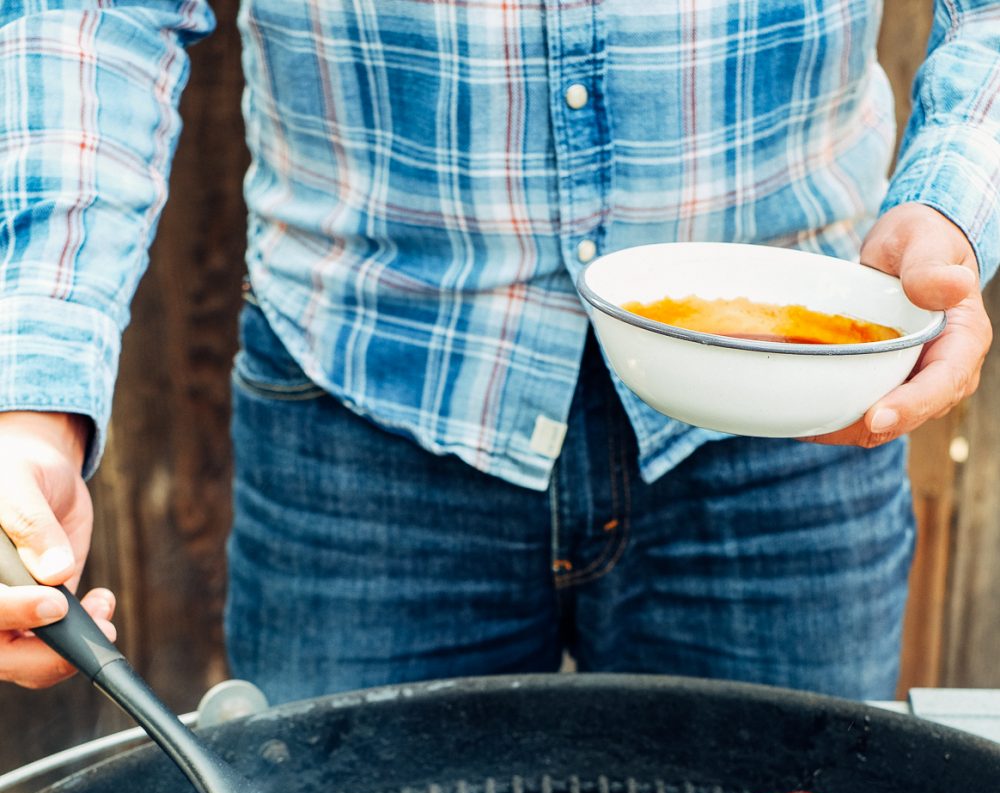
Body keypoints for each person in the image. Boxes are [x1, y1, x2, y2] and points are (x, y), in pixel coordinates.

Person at [0, 3, 995, 703]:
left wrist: (950, 196)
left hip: (792, 405)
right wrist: (33, 397)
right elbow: (92, 16)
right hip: (366, 404)